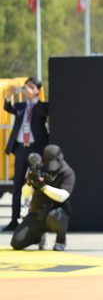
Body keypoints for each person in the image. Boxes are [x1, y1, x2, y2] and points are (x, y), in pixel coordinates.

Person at [3, 78, 49, 232]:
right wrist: (9, 95)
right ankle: (14, 219)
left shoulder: (42, 106)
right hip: (21, 148)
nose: (27, 89)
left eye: (31, 87)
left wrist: (34, 99)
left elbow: (44, 113)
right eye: (26, 87)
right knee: (17, 184)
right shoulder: (21, 106)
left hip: (36, 149)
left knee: (37, 182)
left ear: (37, 90)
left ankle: (36, 217)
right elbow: (8, 107)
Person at [11, 145, 74, 251]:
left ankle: (60, 240)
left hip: (55, 212)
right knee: (16, 243)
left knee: (57, 216)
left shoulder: (67, 173)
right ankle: (39, 237)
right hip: (36, 213)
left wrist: (44, 187)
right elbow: (26, 194)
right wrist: (29, 183)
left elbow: (62, 196)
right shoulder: (36, 168)